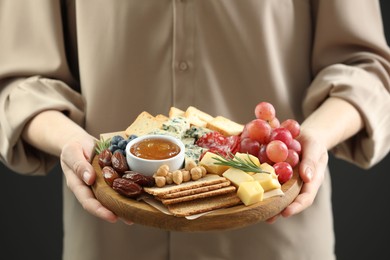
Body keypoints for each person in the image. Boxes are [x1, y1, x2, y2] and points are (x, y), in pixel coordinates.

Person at [1, 1, 389, 259]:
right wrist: (70, 141)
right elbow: (19, 82)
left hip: (275, 240)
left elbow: (365, 68)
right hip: (112, 239)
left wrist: (314, 137)